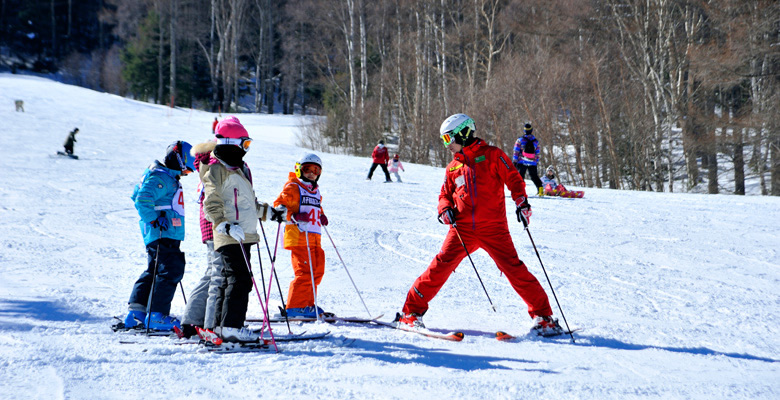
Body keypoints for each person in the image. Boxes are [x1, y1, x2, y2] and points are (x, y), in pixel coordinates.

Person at [397, 113, 563, 336]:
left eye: (448, 139)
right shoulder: (453, 167)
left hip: (494, 228)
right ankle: (410, 313)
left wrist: (521, 201)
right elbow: (444, 194)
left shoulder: (492, 155)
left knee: (514, 269)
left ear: (462, 134)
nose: (447, 145)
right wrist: (444, 209)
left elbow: (513, 178)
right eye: (444, 140)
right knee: (440, 267)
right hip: (462, 230)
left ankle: (544, 318)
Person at [202, 116, 272, 342]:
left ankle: (224, 327)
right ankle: (232, 326)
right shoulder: (216, 170)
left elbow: (247, 204)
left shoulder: (239, 169)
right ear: (232, 142)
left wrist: (269, 213)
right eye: (245, 143)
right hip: (230, 235)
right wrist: (223, 224)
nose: (246, 149)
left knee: (236, 278)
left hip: (244, 235)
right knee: (240, 279)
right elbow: (210, 202)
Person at [125, 140, 195, 331]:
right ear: (178, 159)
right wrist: (154, 219)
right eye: (186, 169)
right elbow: (142, 198)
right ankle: (157, 315)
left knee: (154, 270)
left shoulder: (161, 175)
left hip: (161, 232)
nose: (185, 174)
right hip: (163, 232)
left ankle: (136, 313)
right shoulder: (162, 177)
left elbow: (137, 195)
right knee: (170, 269)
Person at [271, 153, 333, 318]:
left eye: (316, 170)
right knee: (305, 272)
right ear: (299, 170)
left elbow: (316, 207)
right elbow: (279, 206)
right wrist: (293, 216)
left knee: (316, 272)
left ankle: (307, 305)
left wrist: (321, 215)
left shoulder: (315, 191)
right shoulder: (293, 187)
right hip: (299, 237)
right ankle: (294, 307)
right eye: (307, 169)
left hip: (315, 237)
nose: (312, 173)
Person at [179, 138, 224, 338]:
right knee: (215, 273)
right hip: (215, 227)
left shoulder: (205, 166)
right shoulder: (211, 166)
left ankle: (194, 319)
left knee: (213, 271)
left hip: (211, 227)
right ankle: (193, 321)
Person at [512, 123, 544, 196]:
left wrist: (514, 161)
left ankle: (521, 192)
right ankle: (541, 190)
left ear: (524, 131)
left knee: (520, 177)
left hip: (521, 161)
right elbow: (537, 152)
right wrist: (536, 161)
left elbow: (516, 151)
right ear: (532, 130)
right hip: (532, 162)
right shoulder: (536, 141)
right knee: (534, 176)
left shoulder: (520, 140)